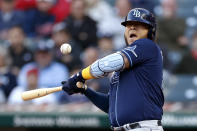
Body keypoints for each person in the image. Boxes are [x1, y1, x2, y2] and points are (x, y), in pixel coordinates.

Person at [61, 8, 164, 131]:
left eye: (138, 25)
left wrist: (79, 76)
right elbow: (111, 105)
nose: (132, 28)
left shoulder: (148, 46)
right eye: (129, 25)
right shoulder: (124, 67)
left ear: (150, 31)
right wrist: (85, 90)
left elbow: (107, 64)